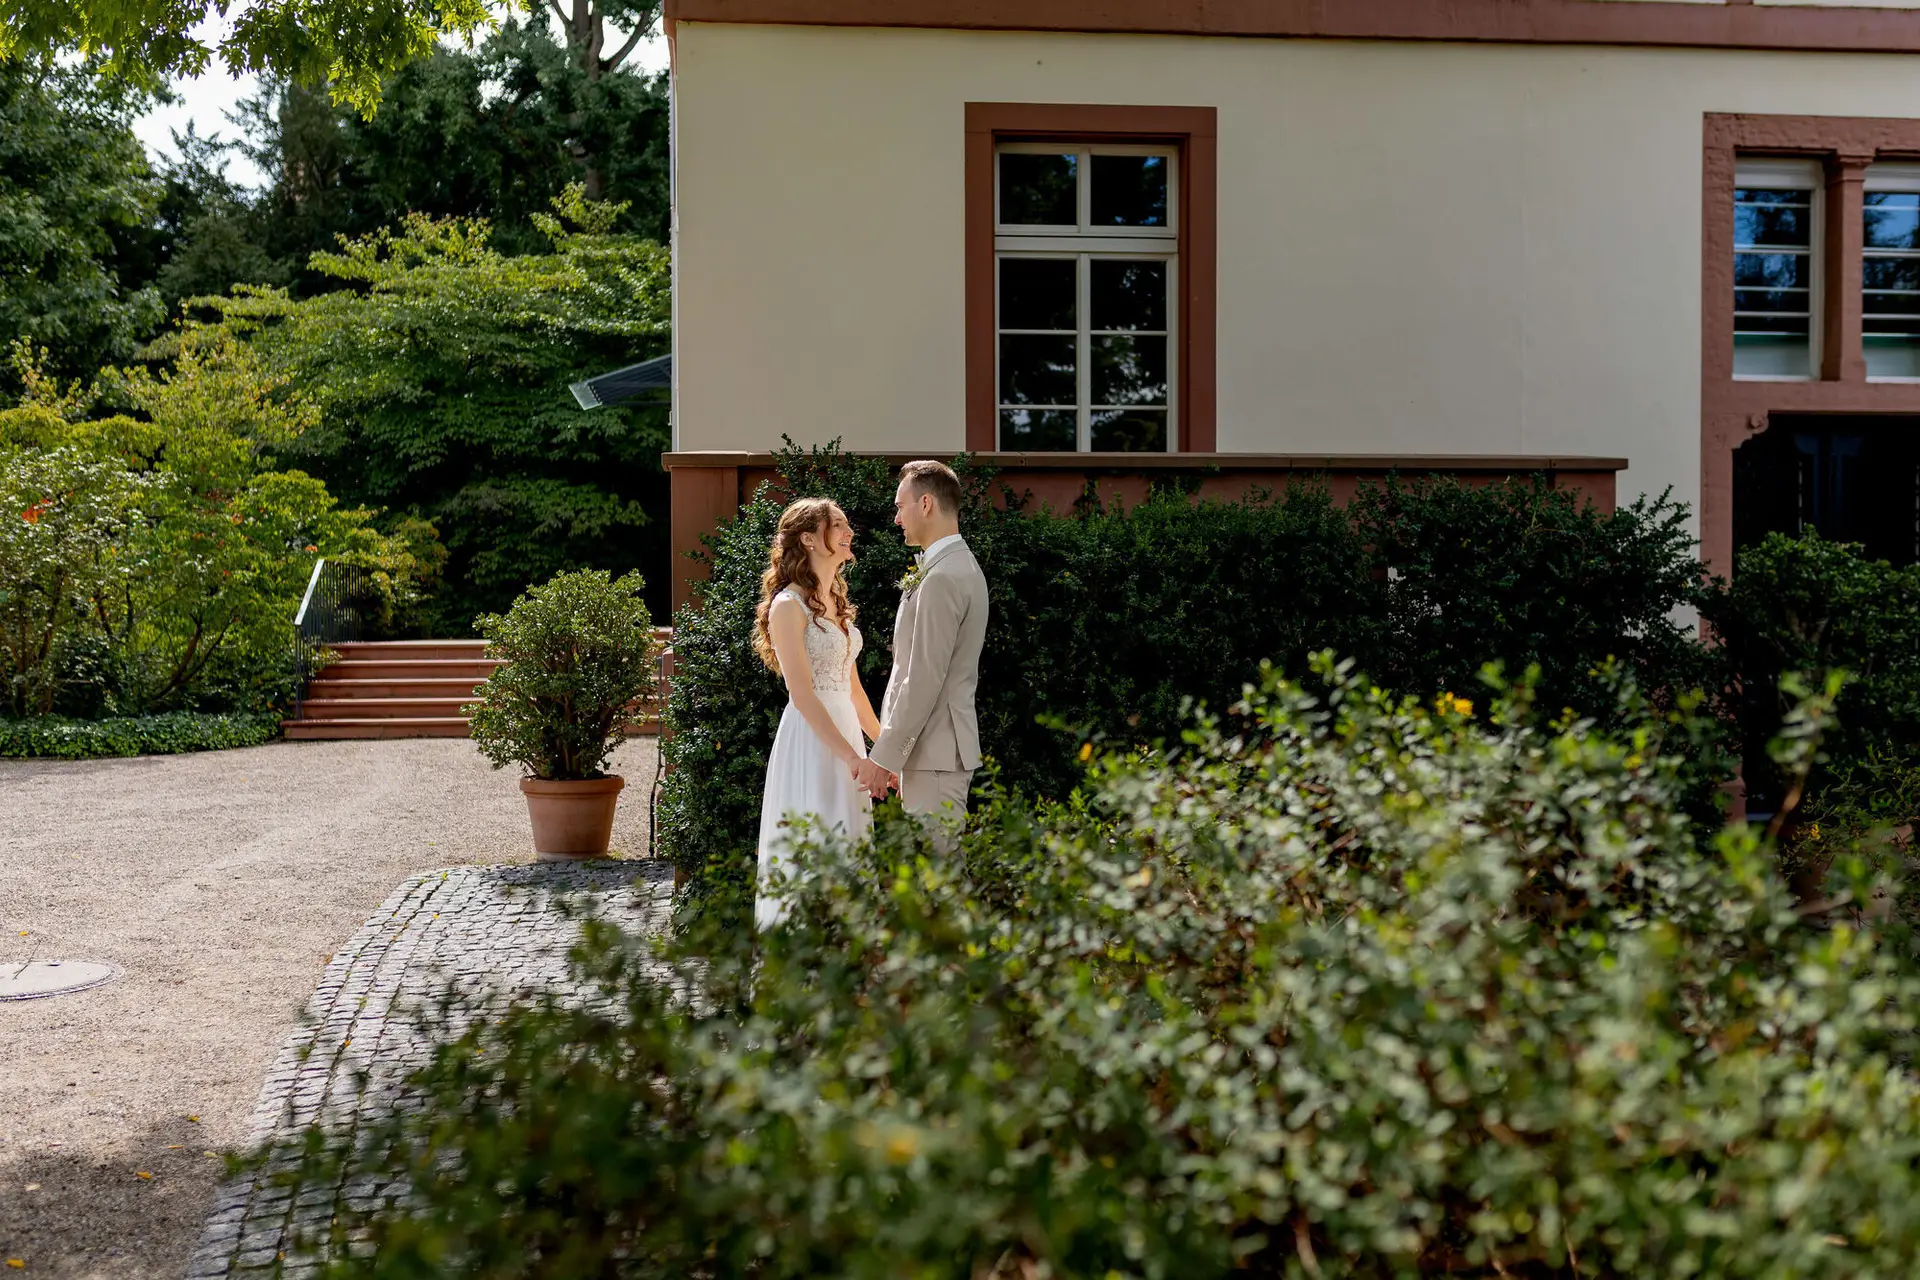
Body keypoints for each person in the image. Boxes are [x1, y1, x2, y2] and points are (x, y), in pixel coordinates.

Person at [751, 498, 882, 928]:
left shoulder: (836, 601)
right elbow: (802, 695)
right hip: (811, 742)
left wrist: (885, 751)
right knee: (814, 846)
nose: (849, 532)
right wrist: (853, 759)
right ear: (808, 538)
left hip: (848, 736)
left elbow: (854, 689)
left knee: (849, 846)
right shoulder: (788, 606)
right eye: (838, 525)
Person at [854, 460, 990, 844]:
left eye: (901, 506)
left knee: (940, 873)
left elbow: (924, 678)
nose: (897, 518)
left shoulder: (944, 577)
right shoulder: (949, 567)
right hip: (930, 753)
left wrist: (884, 757)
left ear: (926, 504)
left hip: (936, 752)